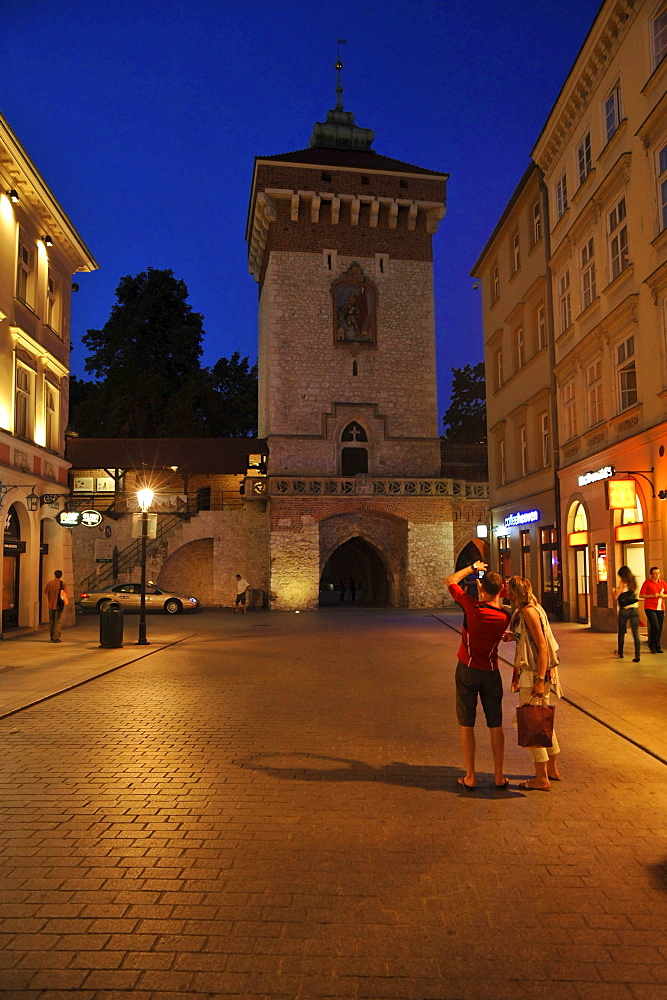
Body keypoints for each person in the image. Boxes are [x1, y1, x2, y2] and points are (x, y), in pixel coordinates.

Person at [445, 559, 511, 790]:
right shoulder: (505, 617)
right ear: (501, 590)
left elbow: (451, 580)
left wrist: (473, 568)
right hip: (492, 672)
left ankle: (470, 776)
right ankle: (499, 776)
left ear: (481, 589)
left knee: (467, 724)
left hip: (468, 669)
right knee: (496, 724)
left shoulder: (472, 608)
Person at [504, 576, 563, 791]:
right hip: (539, 671)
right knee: (543, 719)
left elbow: (542, 646)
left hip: (533, 673)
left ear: (515, 593)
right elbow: (532, 639)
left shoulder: (528, 612)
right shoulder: (535, 608)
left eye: (509, 590)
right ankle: (552, 769)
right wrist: (514, 637)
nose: (507, 594)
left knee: (532, 722)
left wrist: (539, 679)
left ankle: (541, 778)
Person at [612, 566, 640, 662]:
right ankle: (637, 655)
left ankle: (620, 652)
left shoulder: (622, 583)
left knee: (621, 632)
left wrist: (613, 591)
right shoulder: (635, 583)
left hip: (624, 610)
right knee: (636, 634)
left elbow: (616, 597)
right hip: (634, 610)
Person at [639, 567, 667, 654]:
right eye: (655, 573)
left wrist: (663, 596)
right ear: (651, 574)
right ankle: (652, 645)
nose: (657, 575)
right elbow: (641, 595)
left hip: (660, 607)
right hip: (650, 607)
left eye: (658, 573)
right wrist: (652, 595)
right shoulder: (647, 583)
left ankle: (657, 645)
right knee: (655, 626)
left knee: (659, 628)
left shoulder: (662, 583)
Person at [44, 569, 67, 643]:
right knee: (58, 621)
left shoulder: (49, 583)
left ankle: (51, 636)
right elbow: (65, 594)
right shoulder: (62, 584)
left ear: (54, 575)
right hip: (58, 605)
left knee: (51, 621)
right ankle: (56, 637)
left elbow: (46, 593)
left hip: (51, 604)